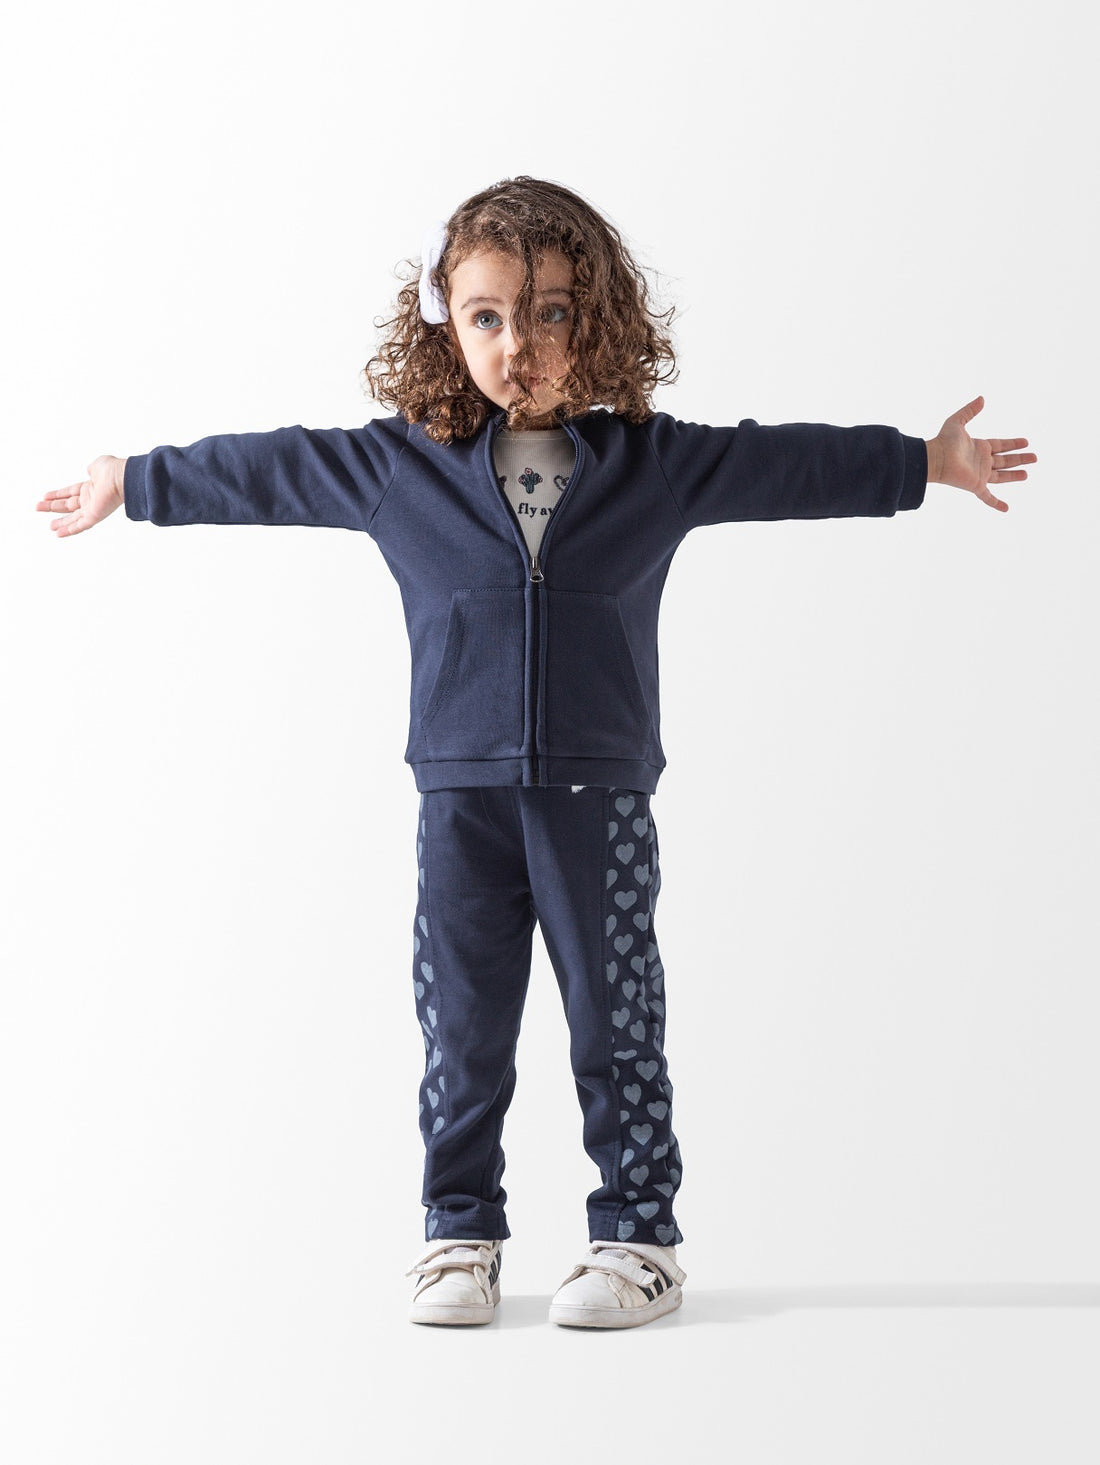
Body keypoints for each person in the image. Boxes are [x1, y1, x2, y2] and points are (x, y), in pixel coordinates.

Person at [36, 176, 1035, 1331]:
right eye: (488, 317)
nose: (519, 345)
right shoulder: (399, 467)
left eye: (551, 312)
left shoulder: (651, 465)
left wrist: (921, 462)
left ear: (595, 318)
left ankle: (639, 1237)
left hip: (595, 793)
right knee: (461, 1030)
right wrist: (135, 481)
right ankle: (456, 1234)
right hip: (457, 796)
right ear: (446, 326)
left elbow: (781, 464)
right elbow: (273, 469)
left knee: (616, 1020)